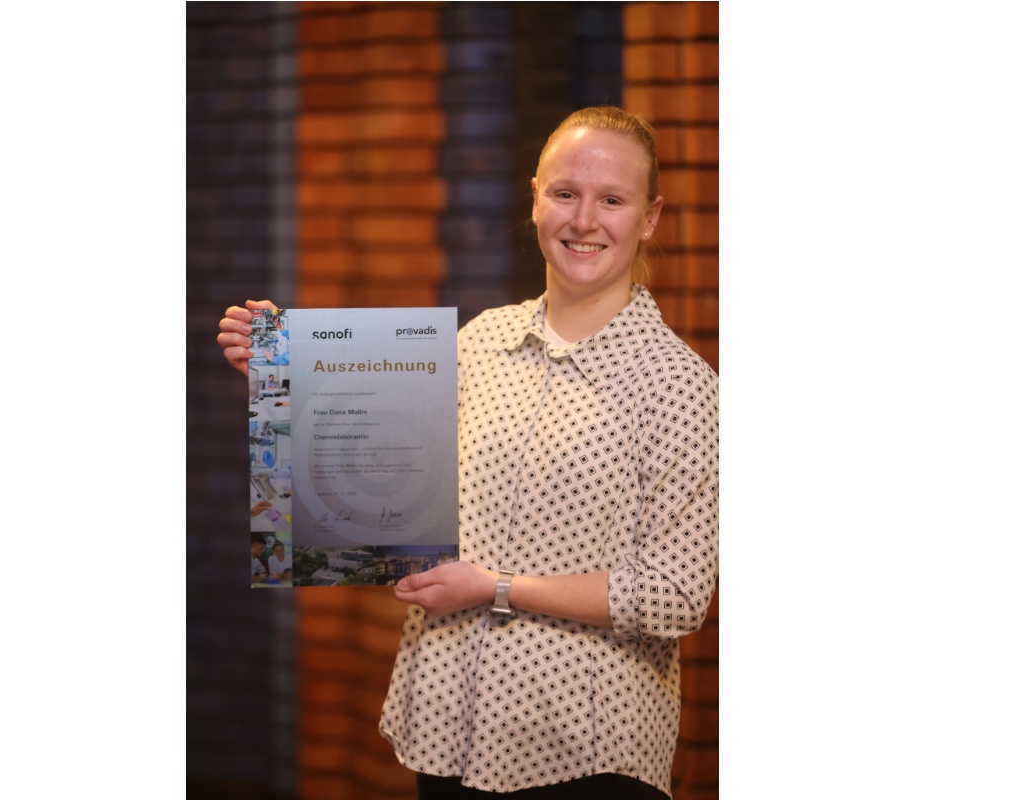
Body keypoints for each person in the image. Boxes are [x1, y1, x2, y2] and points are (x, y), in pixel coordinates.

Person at [216, 106, 718, 799]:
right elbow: (389, 477)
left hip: (585, 749)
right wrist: (284, 385)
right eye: (565, 193)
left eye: (612, 200)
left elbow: (676, 595)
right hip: (450, 728)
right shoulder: (481, 343)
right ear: (534, 196)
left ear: (650, 216)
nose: (583, 220)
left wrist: (496, 588)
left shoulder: (680, 387)